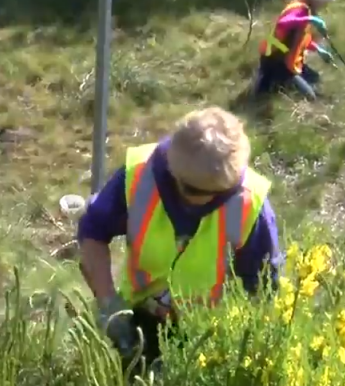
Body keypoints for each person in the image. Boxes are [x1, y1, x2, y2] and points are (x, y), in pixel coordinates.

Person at [77, 107, 283, 369]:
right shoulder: (139, 174)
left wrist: (246, 354)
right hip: (138, 319)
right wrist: (109, 306)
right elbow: (94, 231)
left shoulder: (249, 204)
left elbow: (264, 289)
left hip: (208, 337)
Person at [254, 0, 339, 101]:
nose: (325, 6)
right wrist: (311, 19)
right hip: (276, 60)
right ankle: (272, 83)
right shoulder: (299, 9)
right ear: (317, 0)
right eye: (325, 2)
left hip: (288, 60)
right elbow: (283, 22)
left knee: (315, 78)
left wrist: (318, 49)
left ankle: (278, 83)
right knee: (310, 97)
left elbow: (301, 39)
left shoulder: (307, 10)